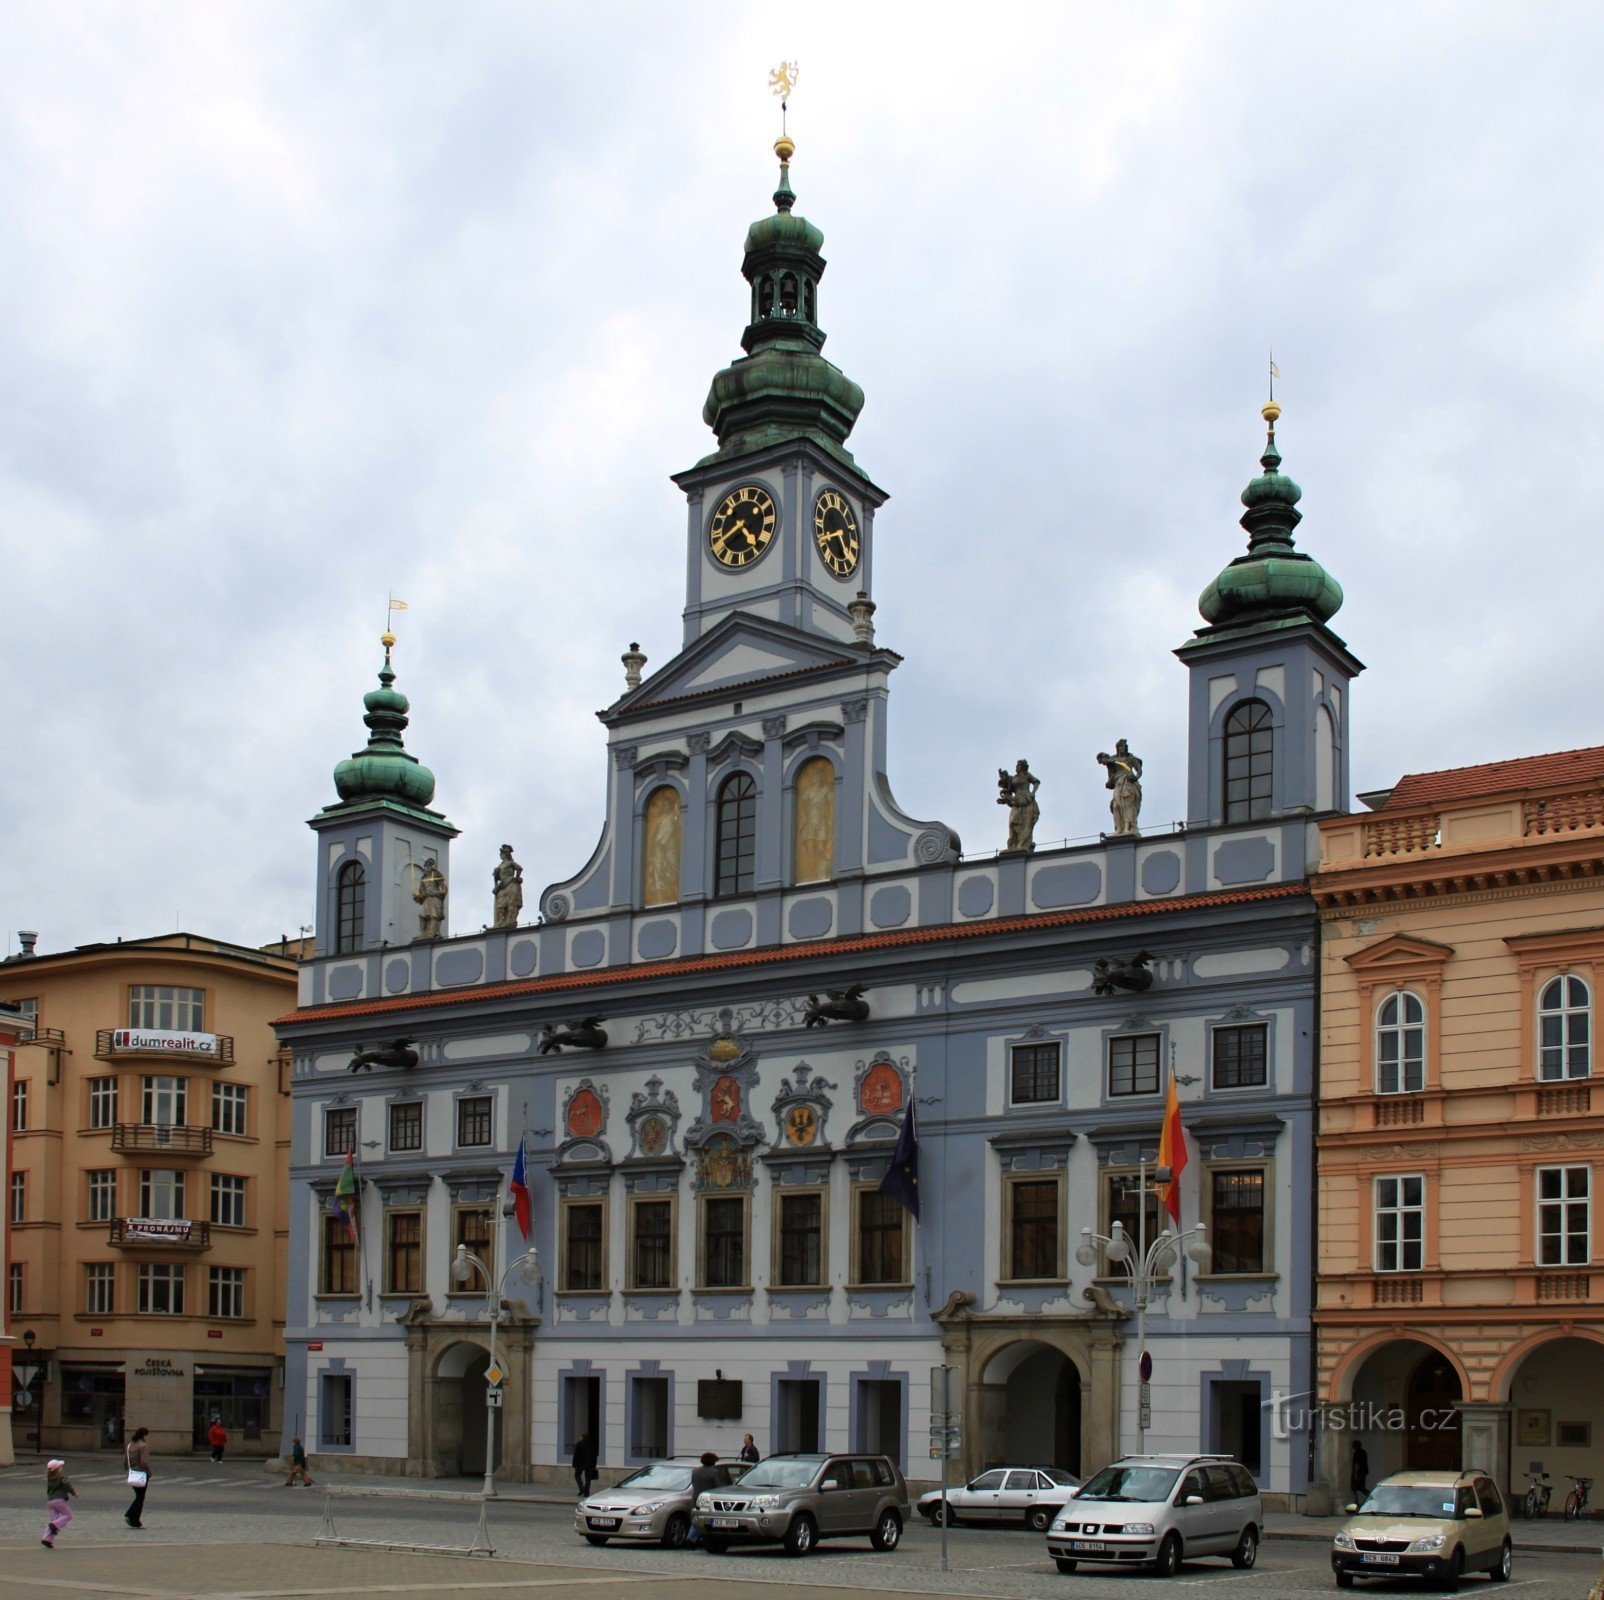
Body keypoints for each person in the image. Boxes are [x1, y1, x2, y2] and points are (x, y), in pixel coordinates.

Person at [42, 1458, 77, 1548]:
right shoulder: (62, 1477)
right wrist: (74, 1493)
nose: (61, 1467)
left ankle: (47, 1539)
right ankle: (54, 1525)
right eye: (60, 1466)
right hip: (59, 1500)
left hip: (50, 1501)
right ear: (58, 1469)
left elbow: (48, 1490)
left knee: (54, 1520)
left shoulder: (50, 1477)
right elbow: (67, 1485)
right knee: (69, 1515)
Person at [125, 1427, 151, 1527]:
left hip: (132, 1473)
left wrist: (128, 1471)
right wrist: (149, 1473)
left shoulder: (130, 1445)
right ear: (144, 1435)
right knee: (140, 1497)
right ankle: (133, 1518)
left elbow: (125, 1462)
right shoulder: (143, 1446)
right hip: (141, 1473)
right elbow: (144, 1462)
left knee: (138, 1496)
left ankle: (132, 1517)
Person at [572, 1432, 598, 1498]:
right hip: (589, 1464)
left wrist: (574, 1464)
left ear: (582, 1437)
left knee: (577, 1475)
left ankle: (582, 1489)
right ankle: (586, 1491)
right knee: (588, 1479)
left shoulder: (579, 1444)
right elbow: (595, 1456)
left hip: (580, 1464)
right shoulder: (592, 1444)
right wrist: (594, 1465)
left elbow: (576, 1455)